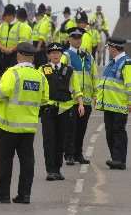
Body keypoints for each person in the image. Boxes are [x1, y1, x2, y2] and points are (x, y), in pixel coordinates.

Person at [0, 42, 49, 204]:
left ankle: (3, 194)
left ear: (19, 55)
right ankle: (24, 195)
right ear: (33, 57)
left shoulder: (12, 73)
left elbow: (0, 93)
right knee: (27, 161)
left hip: (9, 126)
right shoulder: (40, 76)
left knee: (6, 161)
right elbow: (44, 99)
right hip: (28, 127)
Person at [39, 43, 84, 181]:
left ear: (61, 55)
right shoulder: (42, 69)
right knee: (49, 140)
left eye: (58, 53)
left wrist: (81, 104)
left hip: (64, 110)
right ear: (48, 55)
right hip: (48, 110)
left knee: (60, 140)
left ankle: (57, 169)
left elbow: (76, 89)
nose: (55, 55)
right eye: (52, 53)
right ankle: (50, 170)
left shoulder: (69, 70)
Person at [62, 28, 97, 165]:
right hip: (72, 99)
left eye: (79, 38)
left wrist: (95, 95)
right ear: (69, 39)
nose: (78, 40)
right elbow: (63, 76)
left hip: (86, 100)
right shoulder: (66, 55)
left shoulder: (88, 56)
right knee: (71, 128)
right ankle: (69, 154)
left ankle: (78, 154)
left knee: (82, 129)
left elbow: (94, 76)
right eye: (75, 37)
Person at [96, 37, 131, 170]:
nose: (108, 50)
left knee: (118, 132)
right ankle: (115, 158)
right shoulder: (112, 63)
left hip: (120, 105)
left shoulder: (126, 63)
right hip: (109, 105)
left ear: (113, 48)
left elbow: (129, 85)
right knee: (110, 132)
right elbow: (105, 83)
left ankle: (119, 160)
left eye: (109, 48)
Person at [0, 4, 19, 75]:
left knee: (12, 75)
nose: (4, 18)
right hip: (3, 55)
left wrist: (11, 50)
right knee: (2, 75)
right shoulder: (2, 25)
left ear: (11, 16)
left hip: (14, 56)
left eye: (6, 16)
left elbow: (21, 42)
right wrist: (4, 48)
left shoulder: (19, 25)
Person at [32, 3, 52, 68]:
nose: (35, 17)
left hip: (40, 47)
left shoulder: (43, 22)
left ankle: (48, 77)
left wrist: (38, 48)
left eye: (36, 16)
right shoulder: (38, 23)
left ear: (40, 15)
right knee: (38, 67)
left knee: (44, 66)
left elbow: (41, 37)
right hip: (37, 47)